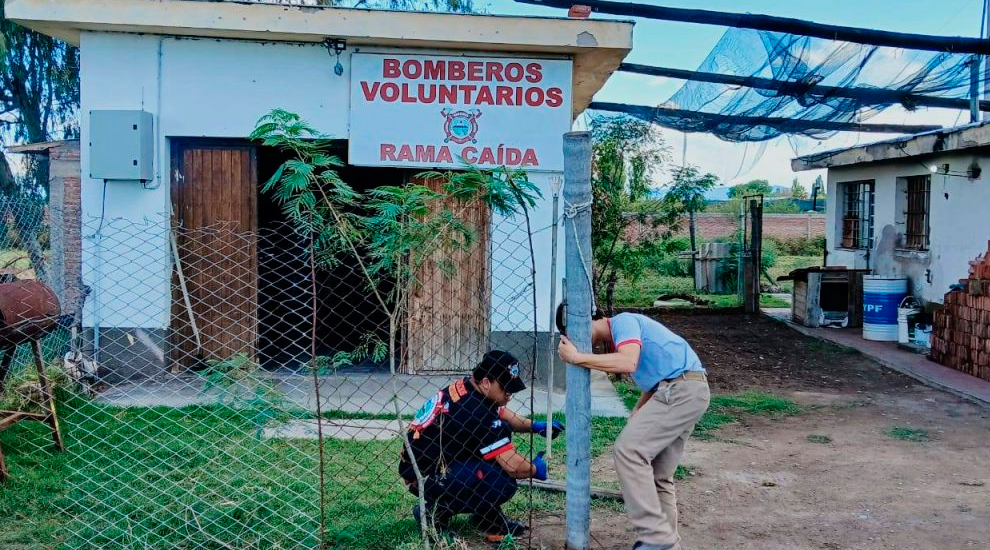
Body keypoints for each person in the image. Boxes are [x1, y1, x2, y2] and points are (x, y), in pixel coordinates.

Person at [556, 306, 710, 550]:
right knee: (659, 477)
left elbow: (628, 362)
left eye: (573, 332)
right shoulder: (622, 334)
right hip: (686, 390)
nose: (574, 340)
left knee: (628, 451)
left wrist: (576, 358)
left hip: (680, 391)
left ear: (590, 320)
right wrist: (638, 411)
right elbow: (656, 381)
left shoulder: (623, 322)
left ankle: (656, 538)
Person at [399, 350, 564, 542]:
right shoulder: (477, 412)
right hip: (426, 478)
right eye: (506, 389)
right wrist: (535, 469)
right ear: (486, 382)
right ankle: (432, 514)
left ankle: (487, 518)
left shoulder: (468, 387)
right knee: (501, 480)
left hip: (430, 467)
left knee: (490, 463)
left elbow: (502, 413)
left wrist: (536, 426)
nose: (509, 394)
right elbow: (513, 466)